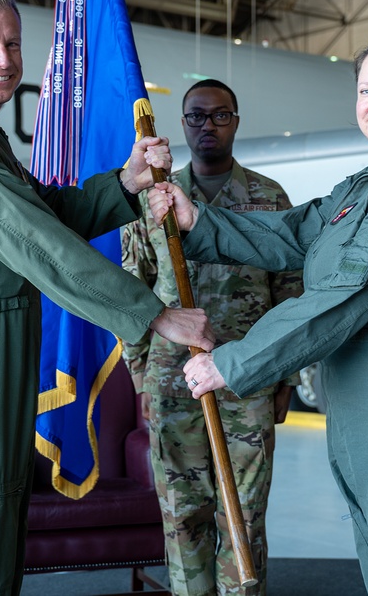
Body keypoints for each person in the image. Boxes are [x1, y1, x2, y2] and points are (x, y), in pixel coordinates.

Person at [0, 0, 214, 596]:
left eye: (12, 43)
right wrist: (151, 314)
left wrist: (124, 183)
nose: (3, 60)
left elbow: (41, 212)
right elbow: (31, 239)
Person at [153, 33, 368, 596]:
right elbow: (298, 231)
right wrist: (201, 223)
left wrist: (235, 362)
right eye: (366, 89)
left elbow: (345, 292)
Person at [121, 79, 303, 596]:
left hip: (248, 377)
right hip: (171, 377)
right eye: (197, 117)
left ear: (236, 122)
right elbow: (130, 292)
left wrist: (286, 377)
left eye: (220, 116)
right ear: (182, 125)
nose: (207, 126)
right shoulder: (152, 198)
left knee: (243, 514)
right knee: (183, 514)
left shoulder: (269, 198)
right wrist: (142, 381)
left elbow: (291, 294)